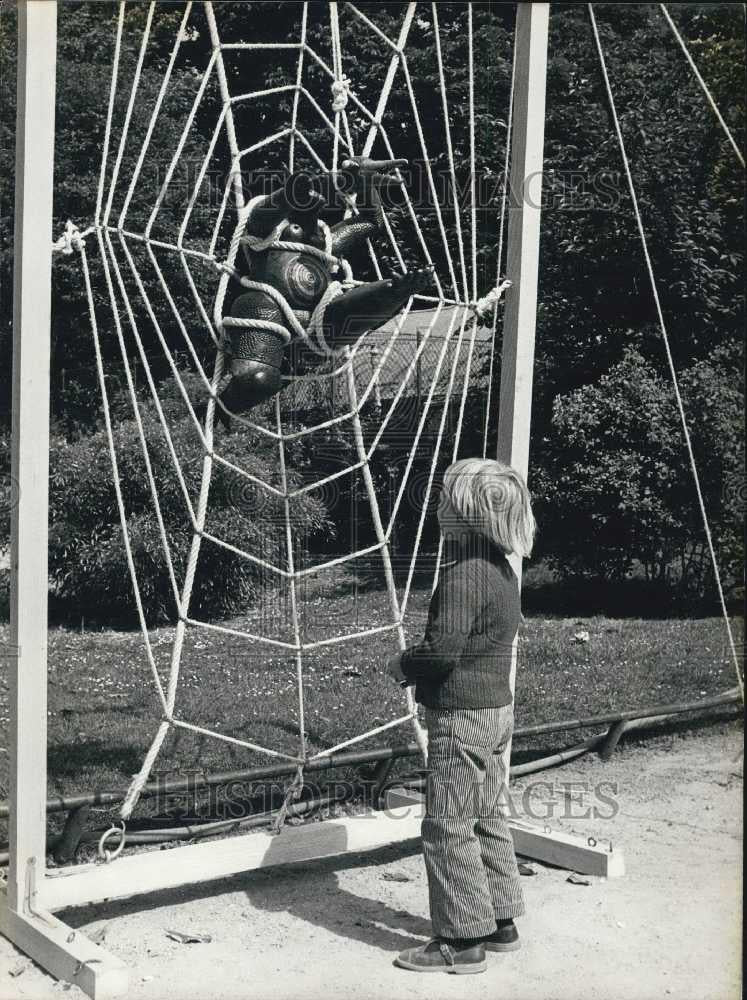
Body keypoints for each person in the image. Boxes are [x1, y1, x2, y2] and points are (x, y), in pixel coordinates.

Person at [387, 457, 536, 974]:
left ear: (466, 514)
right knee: (487, 814)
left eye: (445, 498)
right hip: (497, 711)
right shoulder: (501, 568)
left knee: (447, 824)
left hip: (460, 716)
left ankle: (460, 939)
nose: (437, 506)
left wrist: (404, 663)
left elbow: (443, 650)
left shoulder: (463, 576)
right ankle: (500, 919)